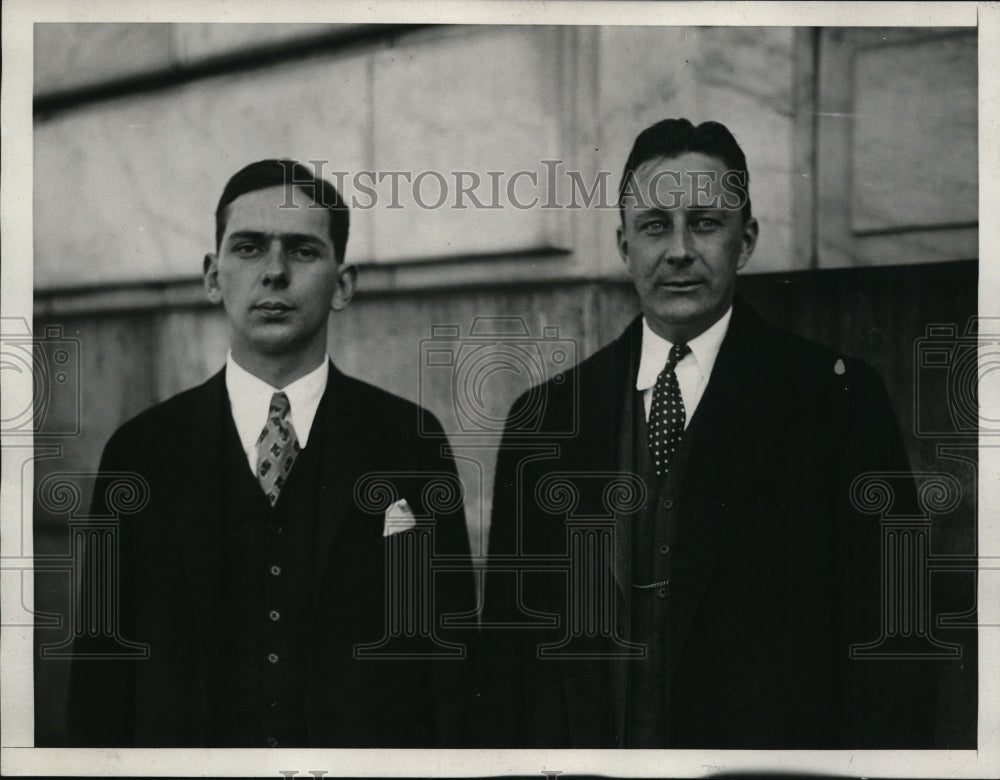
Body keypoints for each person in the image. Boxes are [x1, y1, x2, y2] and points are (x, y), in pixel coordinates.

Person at [479, 119, 938, 748]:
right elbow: (505, 661)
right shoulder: (544, 419)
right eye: (653, 225)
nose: (678, 251)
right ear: (623, 245)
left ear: (745, 241)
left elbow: (897, 639)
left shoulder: (835, 399)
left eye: (704, 222)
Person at [65, 159, 474, 747]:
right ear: (212, 277)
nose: (275, 273)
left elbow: (448, 668)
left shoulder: (409, 441)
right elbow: (102, 675)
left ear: (343, 283)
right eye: (250, 248)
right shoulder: (143, 452)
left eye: (303, 251)